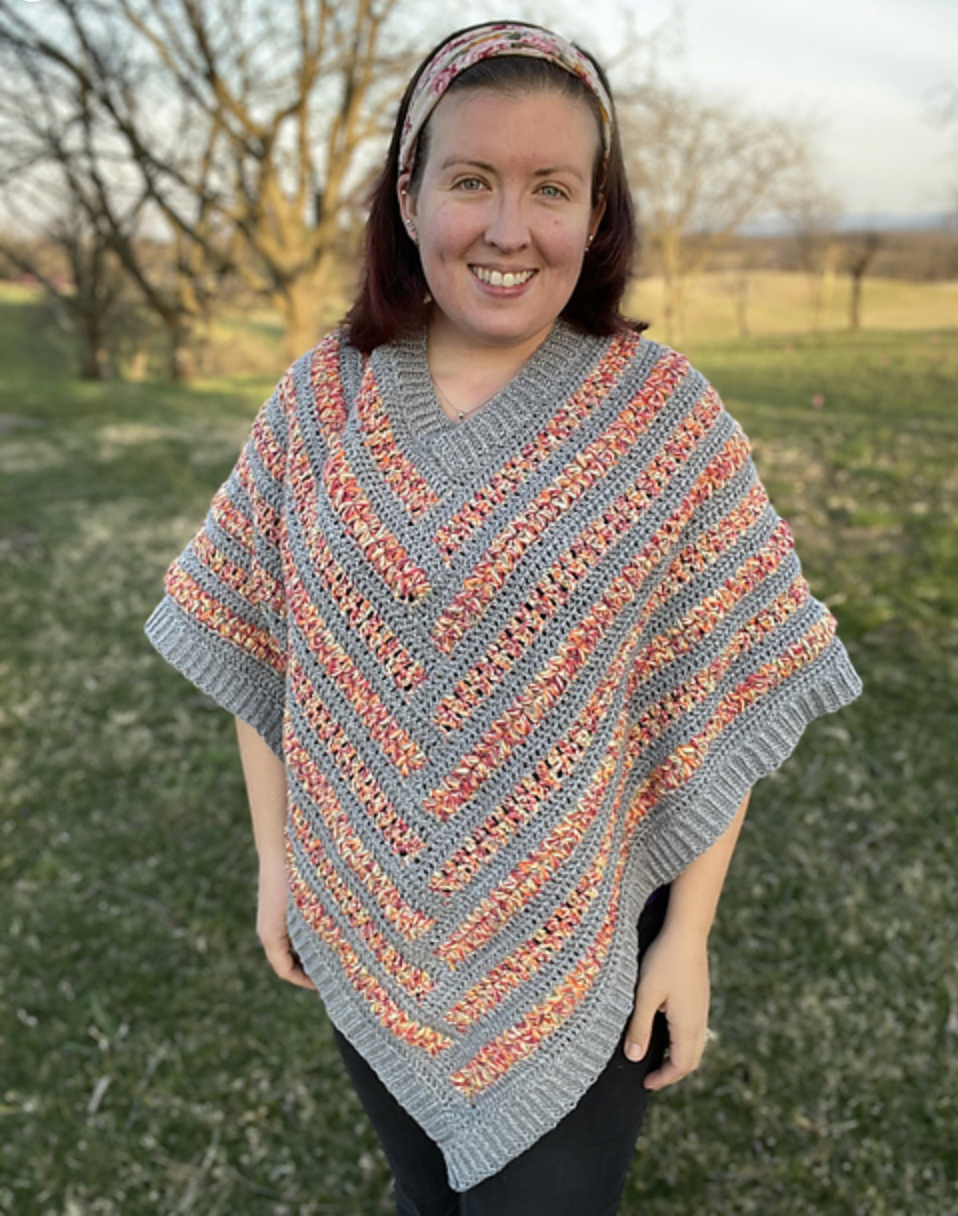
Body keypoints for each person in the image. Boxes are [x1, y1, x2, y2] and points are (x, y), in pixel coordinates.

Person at [145, 21, 862, 1216]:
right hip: (362, 913)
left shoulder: (665, 420)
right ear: (410, 194)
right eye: (471, 180)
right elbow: (261, 642)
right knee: (426, 1199)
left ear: (597, 214)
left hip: (579, 947)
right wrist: (281, 862)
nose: (507, 227)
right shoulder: (323, 396)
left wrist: (686, 933)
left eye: (551, 189)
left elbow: (724, 677)